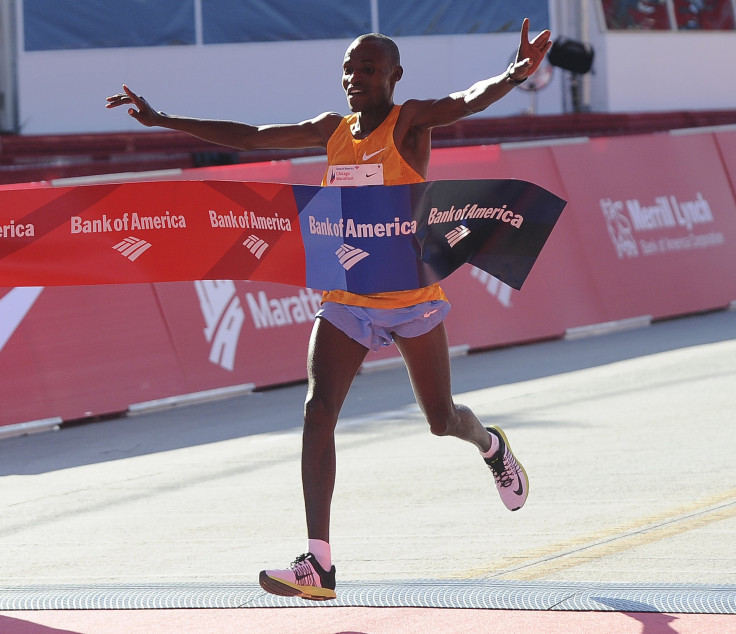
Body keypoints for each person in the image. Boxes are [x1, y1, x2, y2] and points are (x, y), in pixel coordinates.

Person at [107, 17, 552, 601]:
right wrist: (164, 119)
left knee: (442, 420)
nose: (355, 76)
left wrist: (517, 72)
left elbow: (467, 100)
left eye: (368, 67)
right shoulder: (331, 129)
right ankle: (319, 563)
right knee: (318, 410)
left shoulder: (409, 121)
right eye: (348, 67)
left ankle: (491, 446)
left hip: (411, 298)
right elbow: (252, 136)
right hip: (347, 298)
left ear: (394, 75)